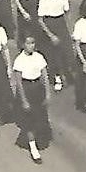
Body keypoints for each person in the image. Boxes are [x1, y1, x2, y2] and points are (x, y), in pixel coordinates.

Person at [11, 34, 53, 163]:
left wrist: (47, 93)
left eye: (33, 43)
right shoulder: (19, 60)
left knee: (40, 117)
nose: (31, 46)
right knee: (28, 120)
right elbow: (18, 82)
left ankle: (38, 139)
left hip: (38, 89)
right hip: (26, 88)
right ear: (23, 44)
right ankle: (33, 147)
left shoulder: (39, 57)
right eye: (28, 43)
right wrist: (23, 100)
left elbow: (44, 76)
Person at [36, 0, 73, 92]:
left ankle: (68, 74)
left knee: (66, 51)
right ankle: (56, 77)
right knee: (54, 55)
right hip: (50, 25)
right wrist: (50, 35)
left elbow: (67, 14)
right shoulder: (44, 0)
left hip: (61, 24)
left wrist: (69, 29)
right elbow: (40, 20)